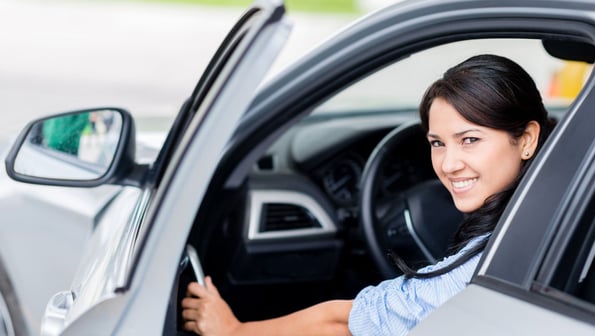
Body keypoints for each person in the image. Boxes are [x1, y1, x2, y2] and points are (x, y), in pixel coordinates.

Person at [180, 54, 557, 336]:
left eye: (470, 140)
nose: (448, 164)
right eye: (437, 143)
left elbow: (342, 324)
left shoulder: (486, 263)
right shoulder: (556, 206)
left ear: (526, 139)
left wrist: (233, 331)